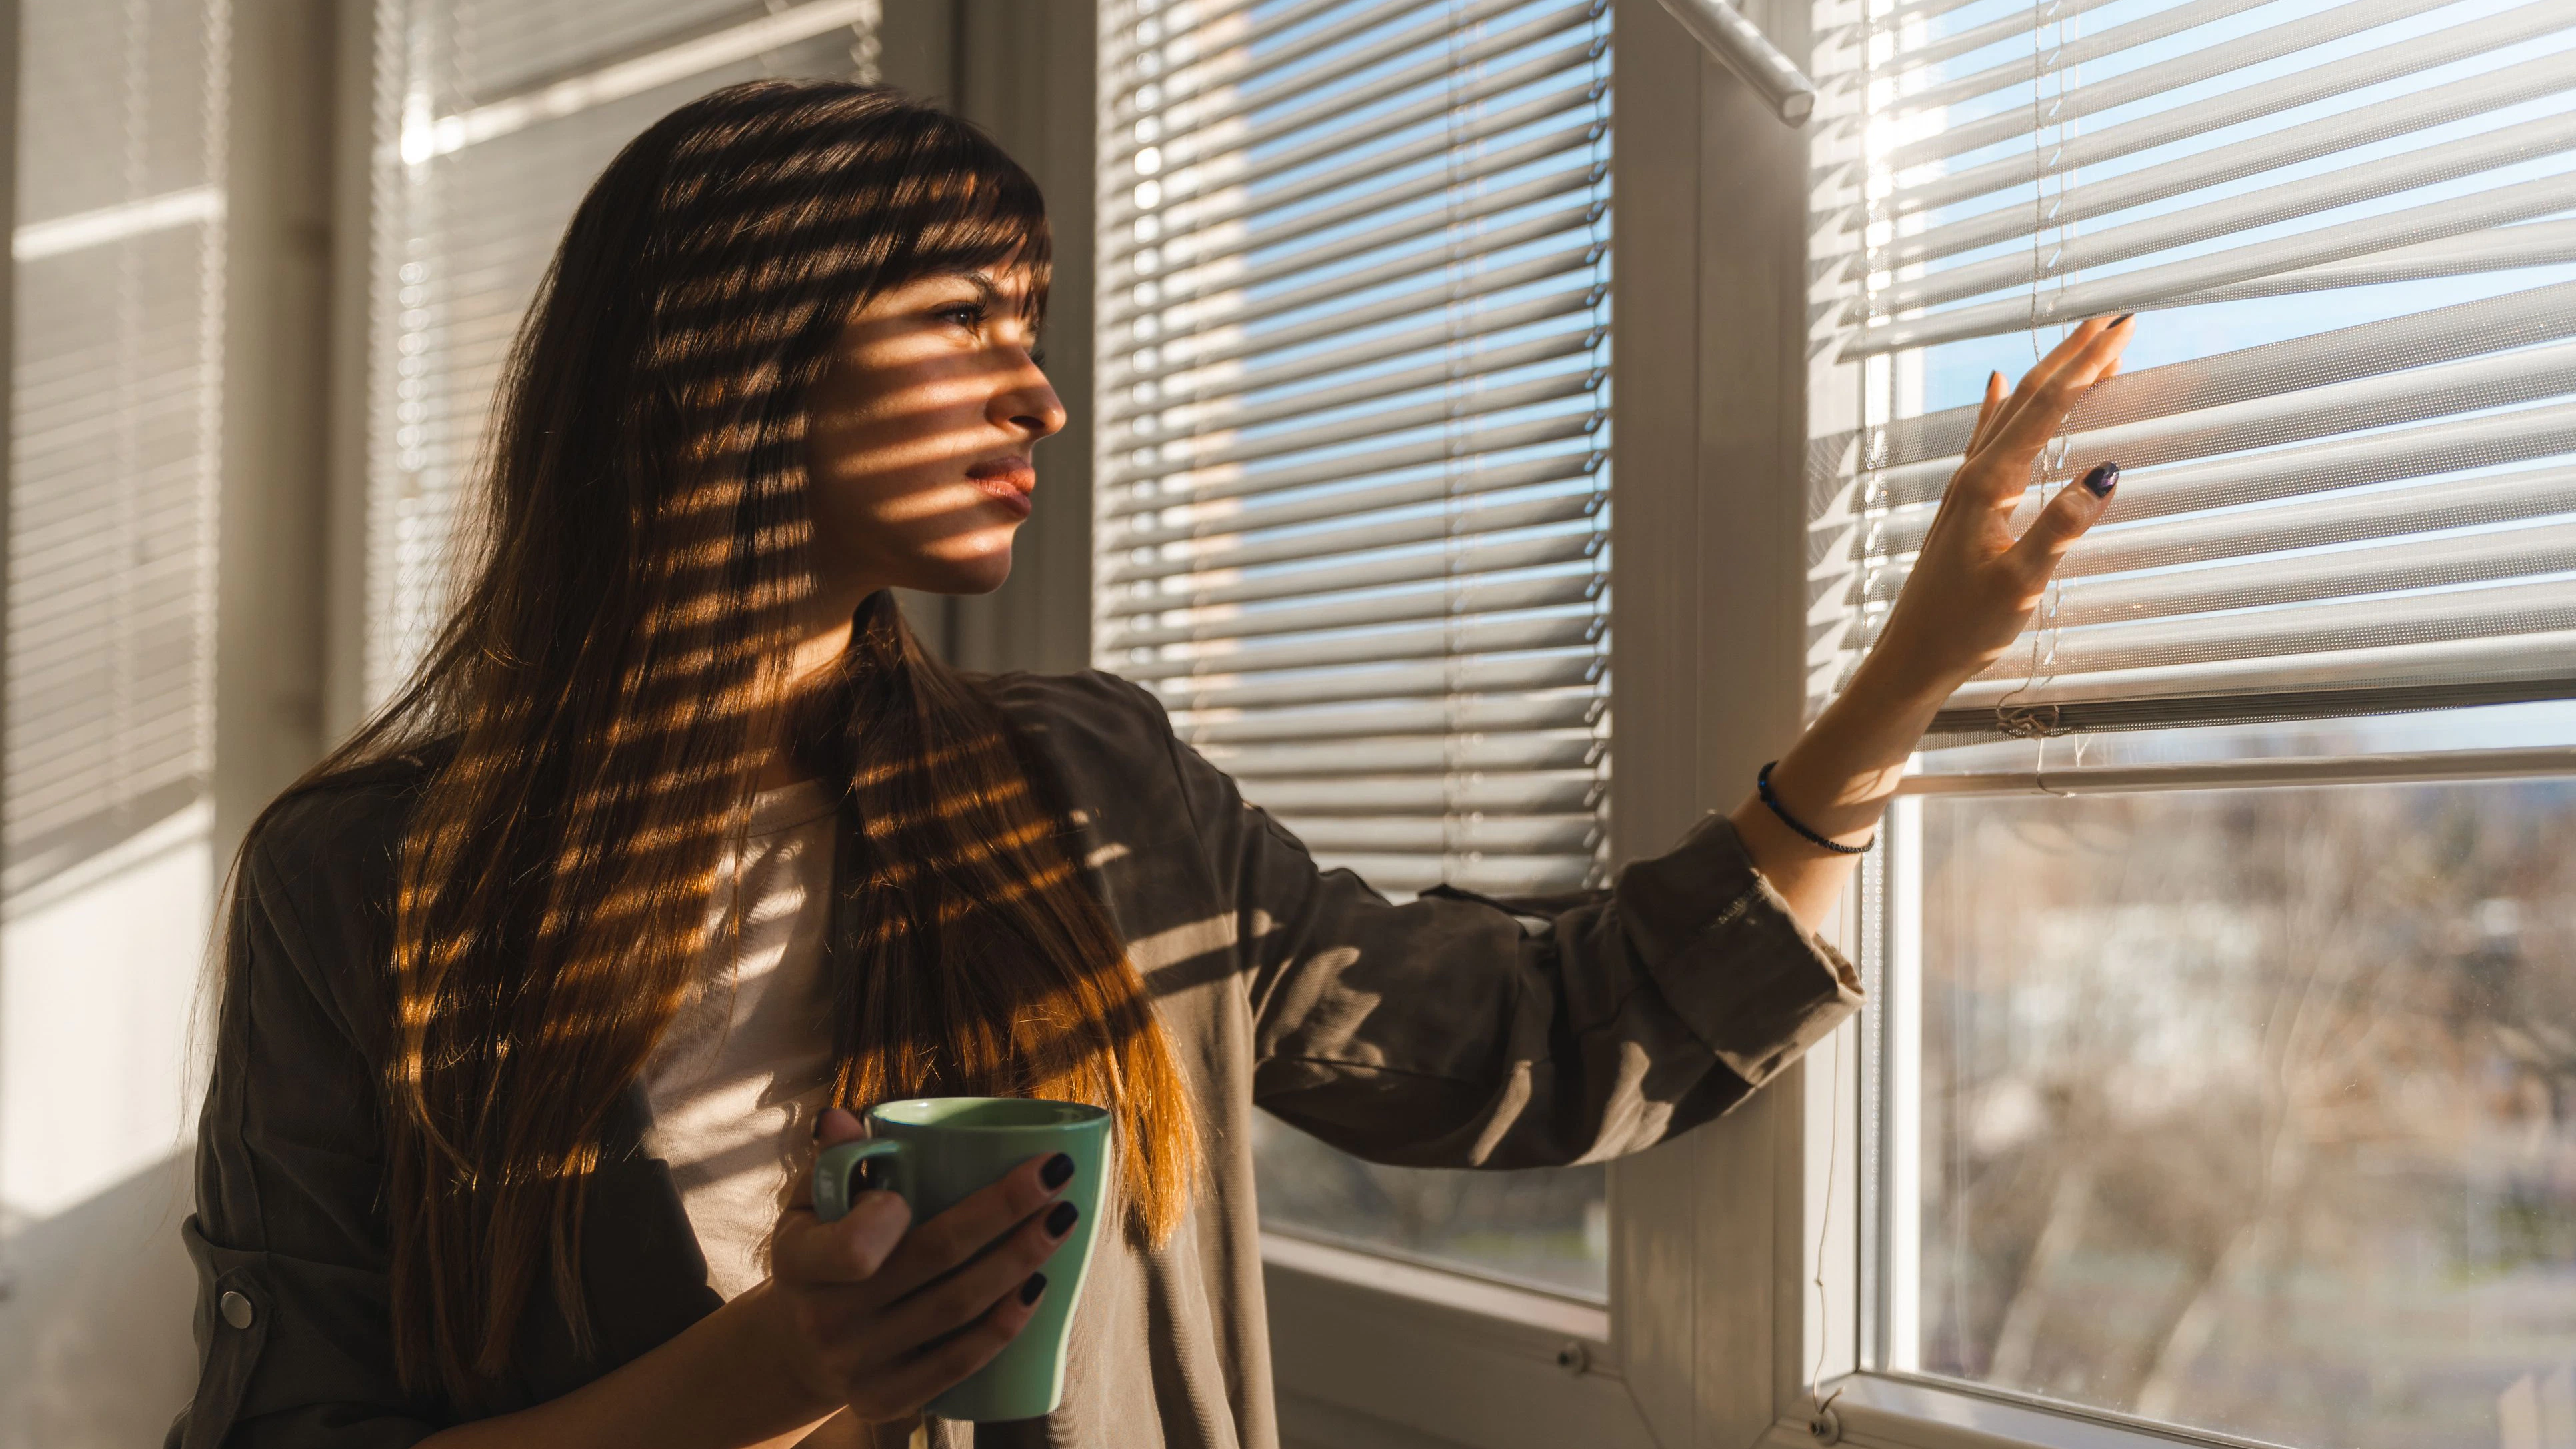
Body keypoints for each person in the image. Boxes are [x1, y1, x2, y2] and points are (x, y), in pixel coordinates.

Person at [167, 81, 2133, 1449]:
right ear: (733, 355)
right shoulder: (363, 887)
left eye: (1038, 327)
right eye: (966, 322)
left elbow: (1530, 1035)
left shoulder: (1083, 797)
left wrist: (1904, 682)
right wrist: (778, 1365)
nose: (1048, 393)